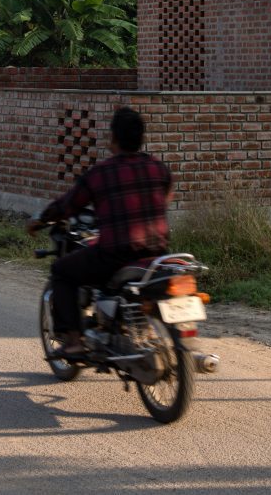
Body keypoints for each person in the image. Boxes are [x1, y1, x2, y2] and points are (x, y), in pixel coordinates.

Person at [27, 106, 172, 359]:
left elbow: (67, 205)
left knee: (62, 270)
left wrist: (40, 220)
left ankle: (74, 341)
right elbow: (165, 199)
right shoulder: (158, 168)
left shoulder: (101, 174)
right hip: (157, 253)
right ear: (141, 138)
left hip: (116, 254)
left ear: (113, 138)